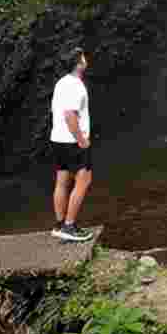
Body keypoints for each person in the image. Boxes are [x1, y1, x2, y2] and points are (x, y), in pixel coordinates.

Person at [50, 47, 94, 242]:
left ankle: (60, 224)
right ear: (78, 63)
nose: (85, 59)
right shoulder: (76, 85)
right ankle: (69, 226)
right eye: (83, 57)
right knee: (83, 180)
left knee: (61, 181)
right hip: (72, 142)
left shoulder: (61, 83)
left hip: (58, 139)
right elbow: (70, 115)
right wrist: (81, 140)